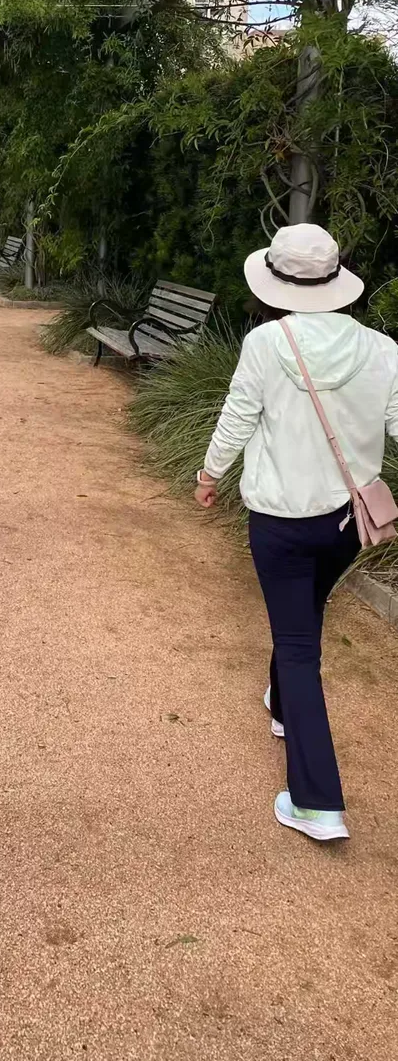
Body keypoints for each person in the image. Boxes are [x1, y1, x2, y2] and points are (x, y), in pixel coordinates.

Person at [195, 223, 398, 843]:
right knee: (303, 617)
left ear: (276, 283)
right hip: (348, 523)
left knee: (297, 643)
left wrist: (209, 474)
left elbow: (237, 417)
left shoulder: (265, 343)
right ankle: (283, 708)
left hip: (280, 523)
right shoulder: (383, 349)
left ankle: (316, 801)